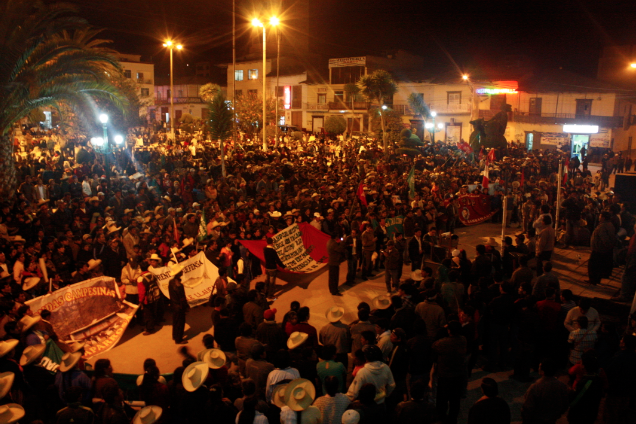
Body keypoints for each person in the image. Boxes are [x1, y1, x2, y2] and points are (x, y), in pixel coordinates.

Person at [432, 321, 467, 424]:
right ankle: (452, 419)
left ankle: (441, 418)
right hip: (458, 375)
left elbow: (433, 345)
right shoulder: (463, 340)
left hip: (445, 375)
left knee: (442, 400)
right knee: (455, 400)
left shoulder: (442, 343)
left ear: (449, 330)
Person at [521, 358, 569, 424]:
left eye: (539, 367)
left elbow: (528, 407)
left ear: (542, 372)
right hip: (552, 419)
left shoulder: (536, 387)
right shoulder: (562, 386)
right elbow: (565, 404)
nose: (538, 368)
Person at [587, 211, 618, 285]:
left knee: (593, 265)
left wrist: (605, 247)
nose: (599, 217)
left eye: (600, 216)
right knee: (599, 266)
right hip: (603, 249)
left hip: (599, 249)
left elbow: (605, 239)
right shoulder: (610, 225)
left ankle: (593, 280)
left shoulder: (602, 227)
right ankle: (597, 279)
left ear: (603, 218)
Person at [168, 267, 189, 345]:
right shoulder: (179, 285)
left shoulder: (171, 282)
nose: (182, 272)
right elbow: (182, 298)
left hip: (174, 305)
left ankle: (175, 335)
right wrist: (185, 306)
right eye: (181, 271)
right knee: (180, 323)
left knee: (175, 322)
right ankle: (179, 339)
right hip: (179, 307)